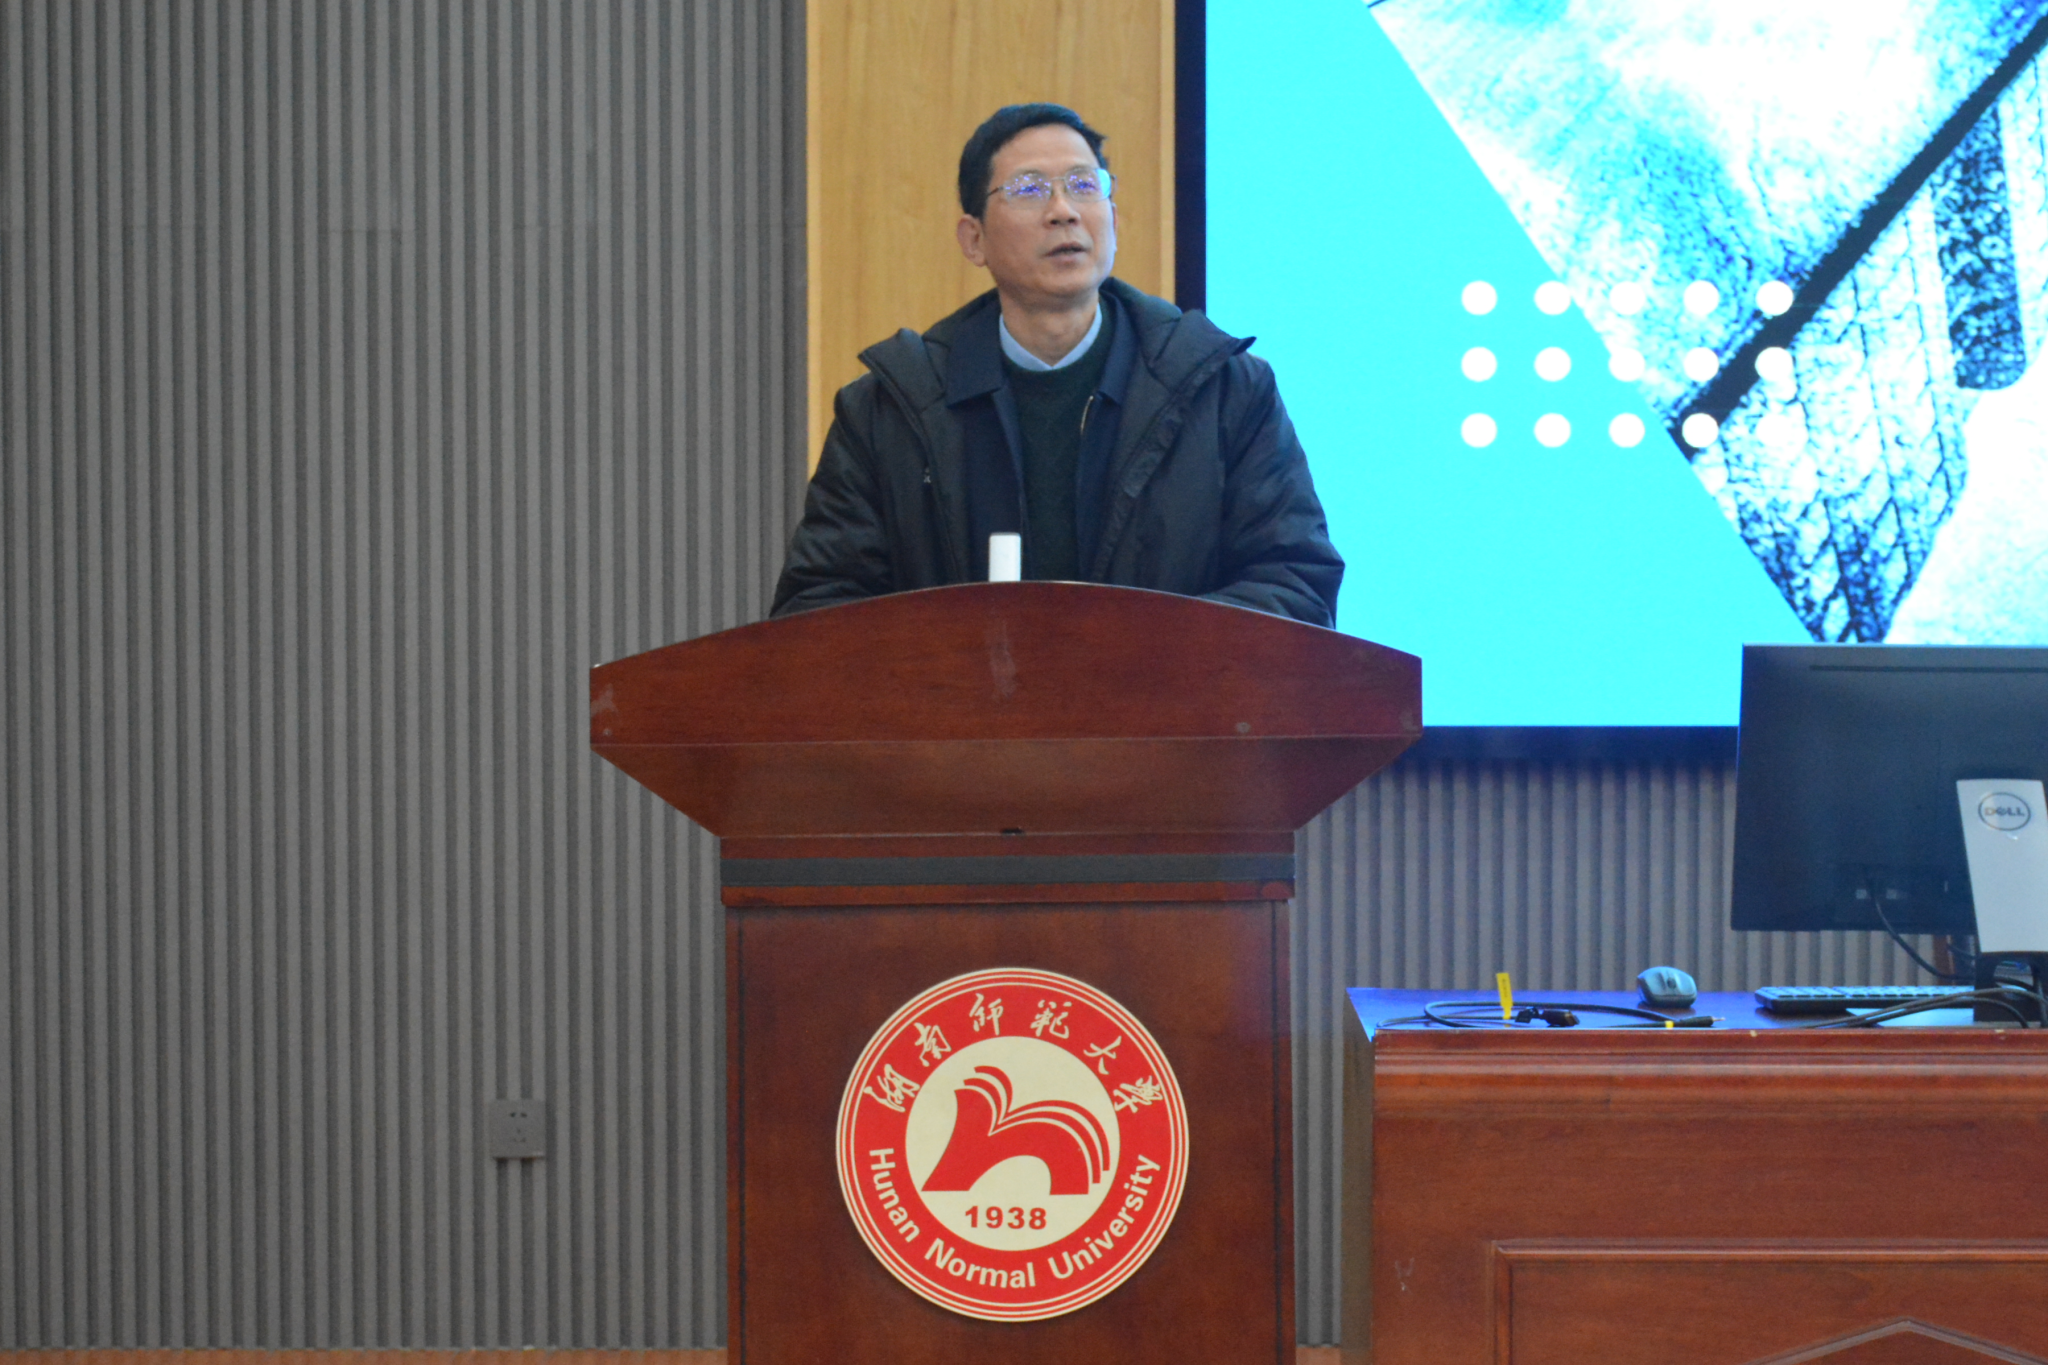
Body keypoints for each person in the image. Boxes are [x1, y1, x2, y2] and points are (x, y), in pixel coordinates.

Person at [771, 102, 1343, 626]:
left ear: (1112, 217)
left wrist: (1134, 658)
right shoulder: (890, 410)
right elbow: (818, 609)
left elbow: (1295, 584)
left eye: (1083, 185)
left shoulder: (1225, 389)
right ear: (973, 240)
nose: (1063, 211)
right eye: (1028, 189)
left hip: (1166, 706)